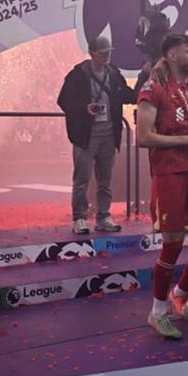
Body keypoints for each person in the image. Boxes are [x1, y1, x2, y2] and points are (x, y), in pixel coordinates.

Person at [137, 33, 188, 339]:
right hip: (170, 173)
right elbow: (143, 137)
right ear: (172, 55)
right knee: (172, 243)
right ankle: (158, 312)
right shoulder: (153, 86)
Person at [57, 36, 137, 234]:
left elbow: (127, 95)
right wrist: (84, 108)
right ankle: (79, 218)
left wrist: (145, 83)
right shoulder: (77, 75)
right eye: (102, 53)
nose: (106, 55)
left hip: (109, 133)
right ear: (92, 53)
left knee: (105, 179)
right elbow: (64, 100)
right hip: (86, 134)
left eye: (108, 51)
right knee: (82, 178)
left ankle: (103, 216)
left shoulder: (113, 73)